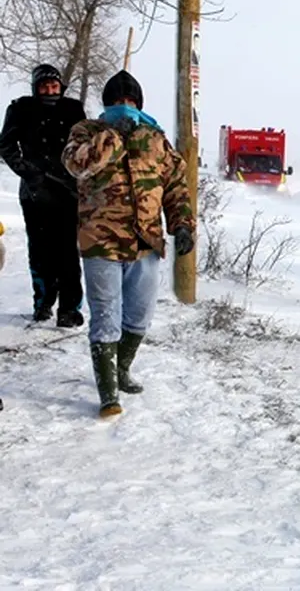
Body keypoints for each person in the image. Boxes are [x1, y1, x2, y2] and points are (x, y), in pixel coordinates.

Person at [61, 69, 195, 418]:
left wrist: (182, 226)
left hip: (145, 243)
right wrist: (109, 138)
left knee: (139, 316)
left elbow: (176, 186)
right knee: (106, 316)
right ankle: (108, 395)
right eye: (117, 102)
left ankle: (121, 370)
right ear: (106, 105)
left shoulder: (156, 139)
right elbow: (75, 165)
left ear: (139, 104)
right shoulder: (86, 132)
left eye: (130, 102)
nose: (124, 107)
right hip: (100, 241)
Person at [0, 63, 87, 325]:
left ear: (61, 87)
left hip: (67, 192)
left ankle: (69, 309)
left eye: (54, 86)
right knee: (40, 251)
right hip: (35, 193)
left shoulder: (73, 110)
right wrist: (28, 171)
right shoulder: (20, 109)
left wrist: (78, 175)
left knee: (68, 252)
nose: (50, 91)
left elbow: (84, 146)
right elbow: (6, 145)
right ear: (36, 88)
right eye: (44, 86)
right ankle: (43, 302)